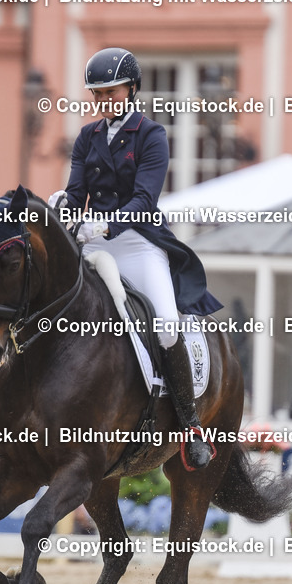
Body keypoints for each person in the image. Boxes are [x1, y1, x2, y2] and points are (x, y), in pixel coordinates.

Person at [52, 47, 221, 469]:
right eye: (98, 94)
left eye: (110, 92)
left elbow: (145, 200)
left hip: (137, 241)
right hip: (93, 238)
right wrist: (63, 207)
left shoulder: (152, 135)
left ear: (131, 89)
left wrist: (105, 226)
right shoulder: (87, 138)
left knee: (165, 325)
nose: (103, 101)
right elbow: (76, 195)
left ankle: (189, 424)